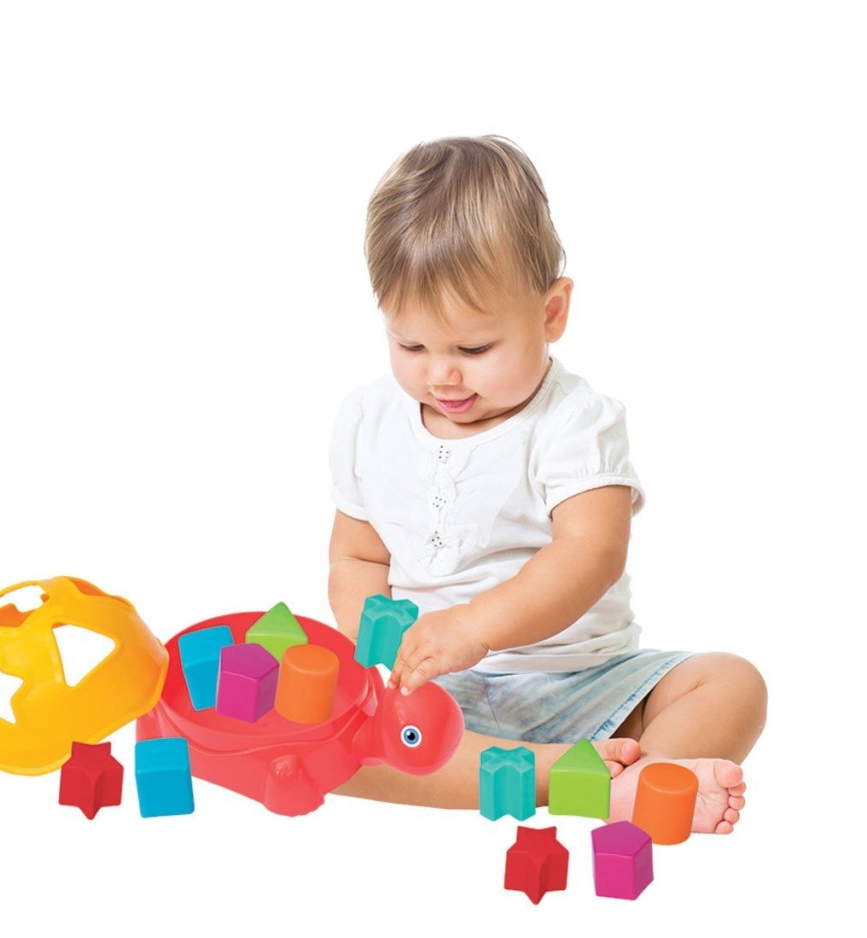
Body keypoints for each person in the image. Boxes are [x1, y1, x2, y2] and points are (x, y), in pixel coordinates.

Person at [327, 136, 766, 832]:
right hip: (440, 702)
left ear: (551, 313)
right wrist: (373, 635)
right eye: (411, 345)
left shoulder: (575, 421)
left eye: (474, 348)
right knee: (333, 742)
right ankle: (577, 782)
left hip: (584, 686)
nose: (441, 374)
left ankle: (641, 774)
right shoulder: (368, 419)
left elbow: (591, 552)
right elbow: (357, 555)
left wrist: (476, 626)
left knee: (732, 683)